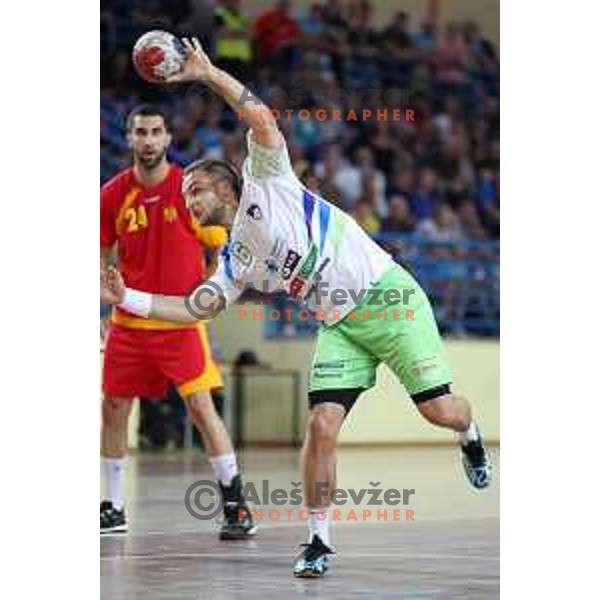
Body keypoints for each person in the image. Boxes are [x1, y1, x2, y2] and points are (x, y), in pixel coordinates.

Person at [101, 38, 492, 577]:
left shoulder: (269, 178)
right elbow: (197, 306)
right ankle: (318, 541)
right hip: (340, 326)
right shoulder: (235, 258)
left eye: (194, 191)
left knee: (439, 412)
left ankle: (469, 435)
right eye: (185, 197)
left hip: (390, 300)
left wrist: (209, 74)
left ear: (224, 183)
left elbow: (258, 115)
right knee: (322, 424)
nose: (188, 202)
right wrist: (129, 299)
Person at [100, 103, 256, 540]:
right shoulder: (112, 194)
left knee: (201, 408)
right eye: (140, 132)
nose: (148, 140)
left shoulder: (191, 188)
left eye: (155, 132)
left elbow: (222, 250)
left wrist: (204, 295)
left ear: (168, 138)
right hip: (129, 322)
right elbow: (98, 254)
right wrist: (100, 304)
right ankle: (112, 506)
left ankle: (235, 504)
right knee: (113, 408)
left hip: (180, 323)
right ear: (129, 138)